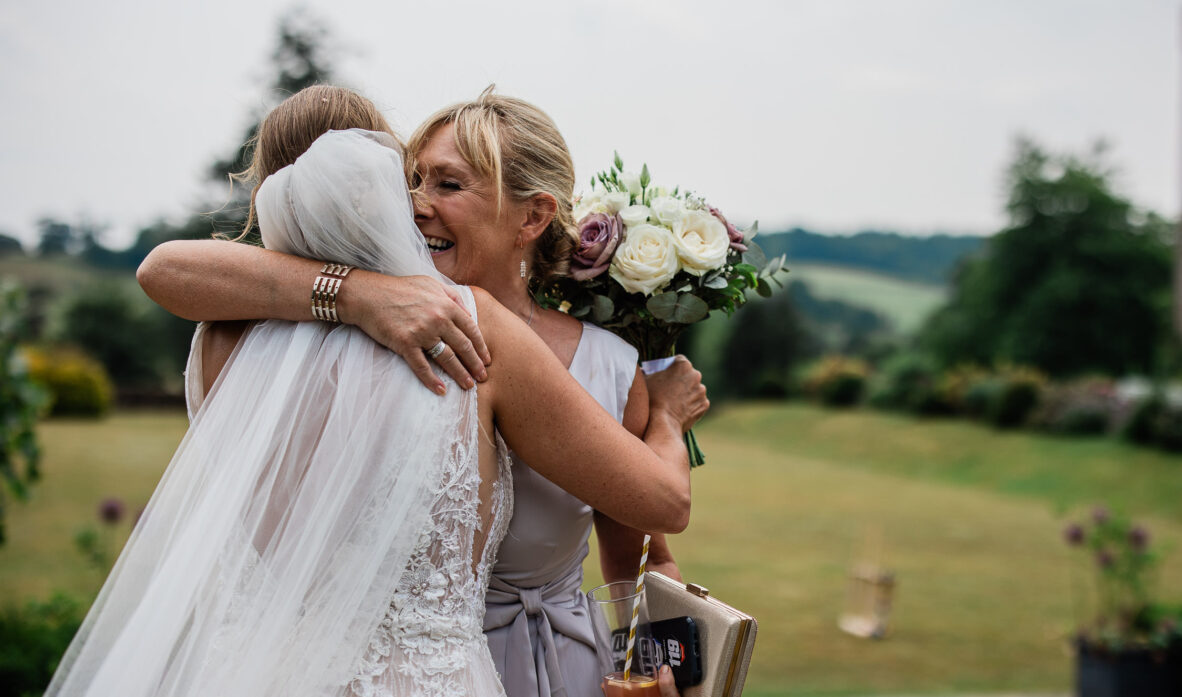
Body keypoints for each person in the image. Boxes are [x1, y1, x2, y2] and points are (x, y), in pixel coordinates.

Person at [48, 125, 703, 697]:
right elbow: (665, 497)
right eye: (410, 183)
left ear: (532, 217)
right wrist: (669, 419)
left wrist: (667, 659)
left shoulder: (225, 335)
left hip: (529, 662)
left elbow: (644, 550)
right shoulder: (470, 334)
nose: (416, 206)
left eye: (445, 184)